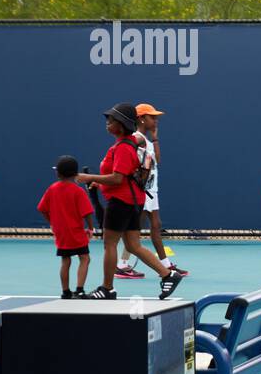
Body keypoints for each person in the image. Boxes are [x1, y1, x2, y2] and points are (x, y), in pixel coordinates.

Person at [76, 103, 183, 300]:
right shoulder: (127, 145)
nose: (107, 123)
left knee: (110, 244)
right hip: (132, 201)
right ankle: (168, 274)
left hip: (121, 203)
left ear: (122, 124)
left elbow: (117, 178)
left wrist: (89, 178)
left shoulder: (124, 147)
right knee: (134, 245)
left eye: (112, 120)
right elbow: (123, 178)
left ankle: (107, 288)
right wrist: (100, 184)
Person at [115, 104, 187, 281]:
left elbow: (157, 160)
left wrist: (155, 138)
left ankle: (123, 264)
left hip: (150, 189)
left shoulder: (146, 140)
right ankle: (164, 265)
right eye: (151, 117)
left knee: (139, 228)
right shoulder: (136, 138)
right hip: (142, 190)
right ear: (141, 118)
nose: (156, 120)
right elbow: (130, 157)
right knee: (152, 225)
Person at [38, 155, 96, 298]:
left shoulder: (52, 189)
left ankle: (65, 292)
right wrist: (90, 228)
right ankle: (80, 290)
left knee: (66, 260)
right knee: (84, 258)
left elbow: (42, 208)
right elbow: (87, 213)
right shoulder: (78, 191)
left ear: (58, 173)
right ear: (76, 174)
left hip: (61, 233)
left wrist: (52, 222)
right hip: (76, 233)